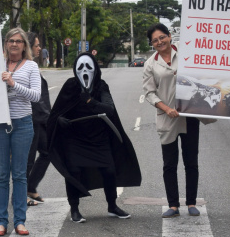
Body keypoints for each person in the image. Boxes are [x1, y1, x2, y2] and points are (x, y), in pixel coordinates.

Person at [47, 51, 140, 223]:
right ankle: (74, 208)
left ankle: (112, 205)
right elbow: (55, 113)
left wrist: (90, 101)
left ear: (95, 69)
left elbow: (109, 109)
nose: (84, 70)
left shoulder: (101, 86)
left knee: (109, 170)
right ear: (75, 69)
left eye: (88, 66)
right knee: (73, 171)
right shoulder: (70, 86)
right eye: (80, 66)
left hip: (98, 138)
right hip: (74, 138)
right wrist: (60, 120)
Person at [142, 23, 202, 217]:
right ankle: (173, 205)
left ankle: (191, 202)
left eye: (162, 37)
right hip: (167, 117)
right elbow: (149, 93)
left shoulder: (186, 54)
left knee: (191, 161)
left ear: (169, 36)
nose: (159, 42)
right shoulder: (151, 64)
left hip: (189, 116)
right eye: (155, 41)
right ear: (152, 44)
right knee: (169, 163)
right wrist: (166, 108)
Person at [0, 28, 40, 236]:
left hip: (22, 123)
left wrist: (13, 83)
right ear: (5, 43)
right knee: (1, 175)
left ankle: (20, 221)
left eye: (19, 41)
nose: (14, 44)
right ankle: (1, 221)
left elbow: (36, 96)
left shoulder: (31, 67)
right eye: (11, 40)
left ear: (24, 45)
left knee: (19, 175)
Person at [26, 32, 51, 205]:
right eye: (36, 45)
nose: (39, 48)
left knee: (47, 152)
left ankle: (31, 187)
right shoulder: (25, 67)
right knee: (27, 160)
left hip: (40, 120)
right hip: (31, 120)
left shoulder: (32, 65)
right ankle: (21, 196)